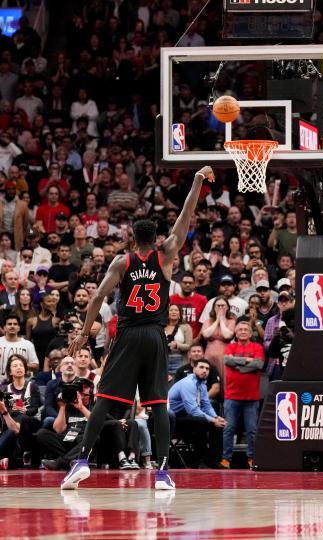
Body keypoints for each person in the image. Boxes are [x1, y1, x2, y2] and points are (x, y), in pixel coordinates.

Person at [61, 165, 214, 491]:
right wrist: (197, 179)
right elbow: (185, 218)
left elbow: (97, 297)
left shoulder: (122, 262)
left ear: (132, 237)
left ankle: (81, 463)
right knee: (157, 405)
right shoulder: (166, 254)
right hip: (156, 336)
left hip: (128, 335)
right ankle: (162, 473)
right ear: (156, 237)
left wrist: (85, 332)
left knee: (104, 400)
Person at [220, 321, 265, 469]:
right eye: (240, 329)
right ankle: (226, 459)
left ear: (251, 333)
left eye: (246, 329)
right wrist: (246, 361)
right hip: (232, 396)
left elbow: (259, 365)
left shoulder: (257, 347)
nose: (243, 331)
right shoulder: (231, 347)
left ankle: (252, 458)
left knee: (252, 430)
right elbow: (227, 360)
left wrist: (238, 367)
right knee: (228, 429)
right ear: (236, 333)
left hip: (251, 398)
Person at [168, 358, 226, 468]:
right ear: (194, 368)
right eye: (201, 367)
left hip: (186, 416)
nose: (204, 371)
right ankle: (198, 461)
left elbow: (206, 405)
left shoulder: (202, 385)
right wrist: (213, 420)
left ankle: (213, 461)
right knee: (201, 421)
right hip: (172, 419)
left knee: (217, 425)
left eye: (207, 369)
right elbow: (193, 411)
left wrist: (216, 417)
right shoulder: (188, 383)